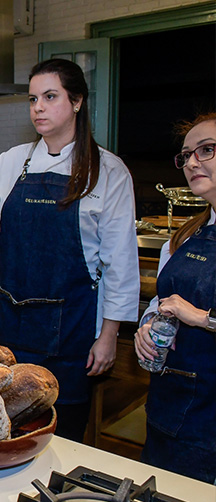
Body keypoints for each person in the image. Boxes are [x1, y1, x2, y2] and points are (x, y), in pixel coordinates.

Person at [0, 58, 139, 442]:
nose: (38, 107)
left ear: (77, 102)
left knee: (62, 435)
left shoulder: (107, 171)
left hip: (70, 330)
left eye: (50, 96)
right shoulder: (12, 162)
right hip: (10, 323)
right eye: (32, 99)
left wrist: (108, 336)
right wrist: (0, 247)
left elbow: (120, 262)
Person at [134, 112, 216, 483]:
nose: (192, 162)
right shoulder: (185, 236)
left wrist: (199, 316)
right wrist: (147, 325)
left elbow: (186, 309)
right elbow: (161, 301)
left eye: (207, 150)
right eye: (186, 155)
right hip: (171, 406)